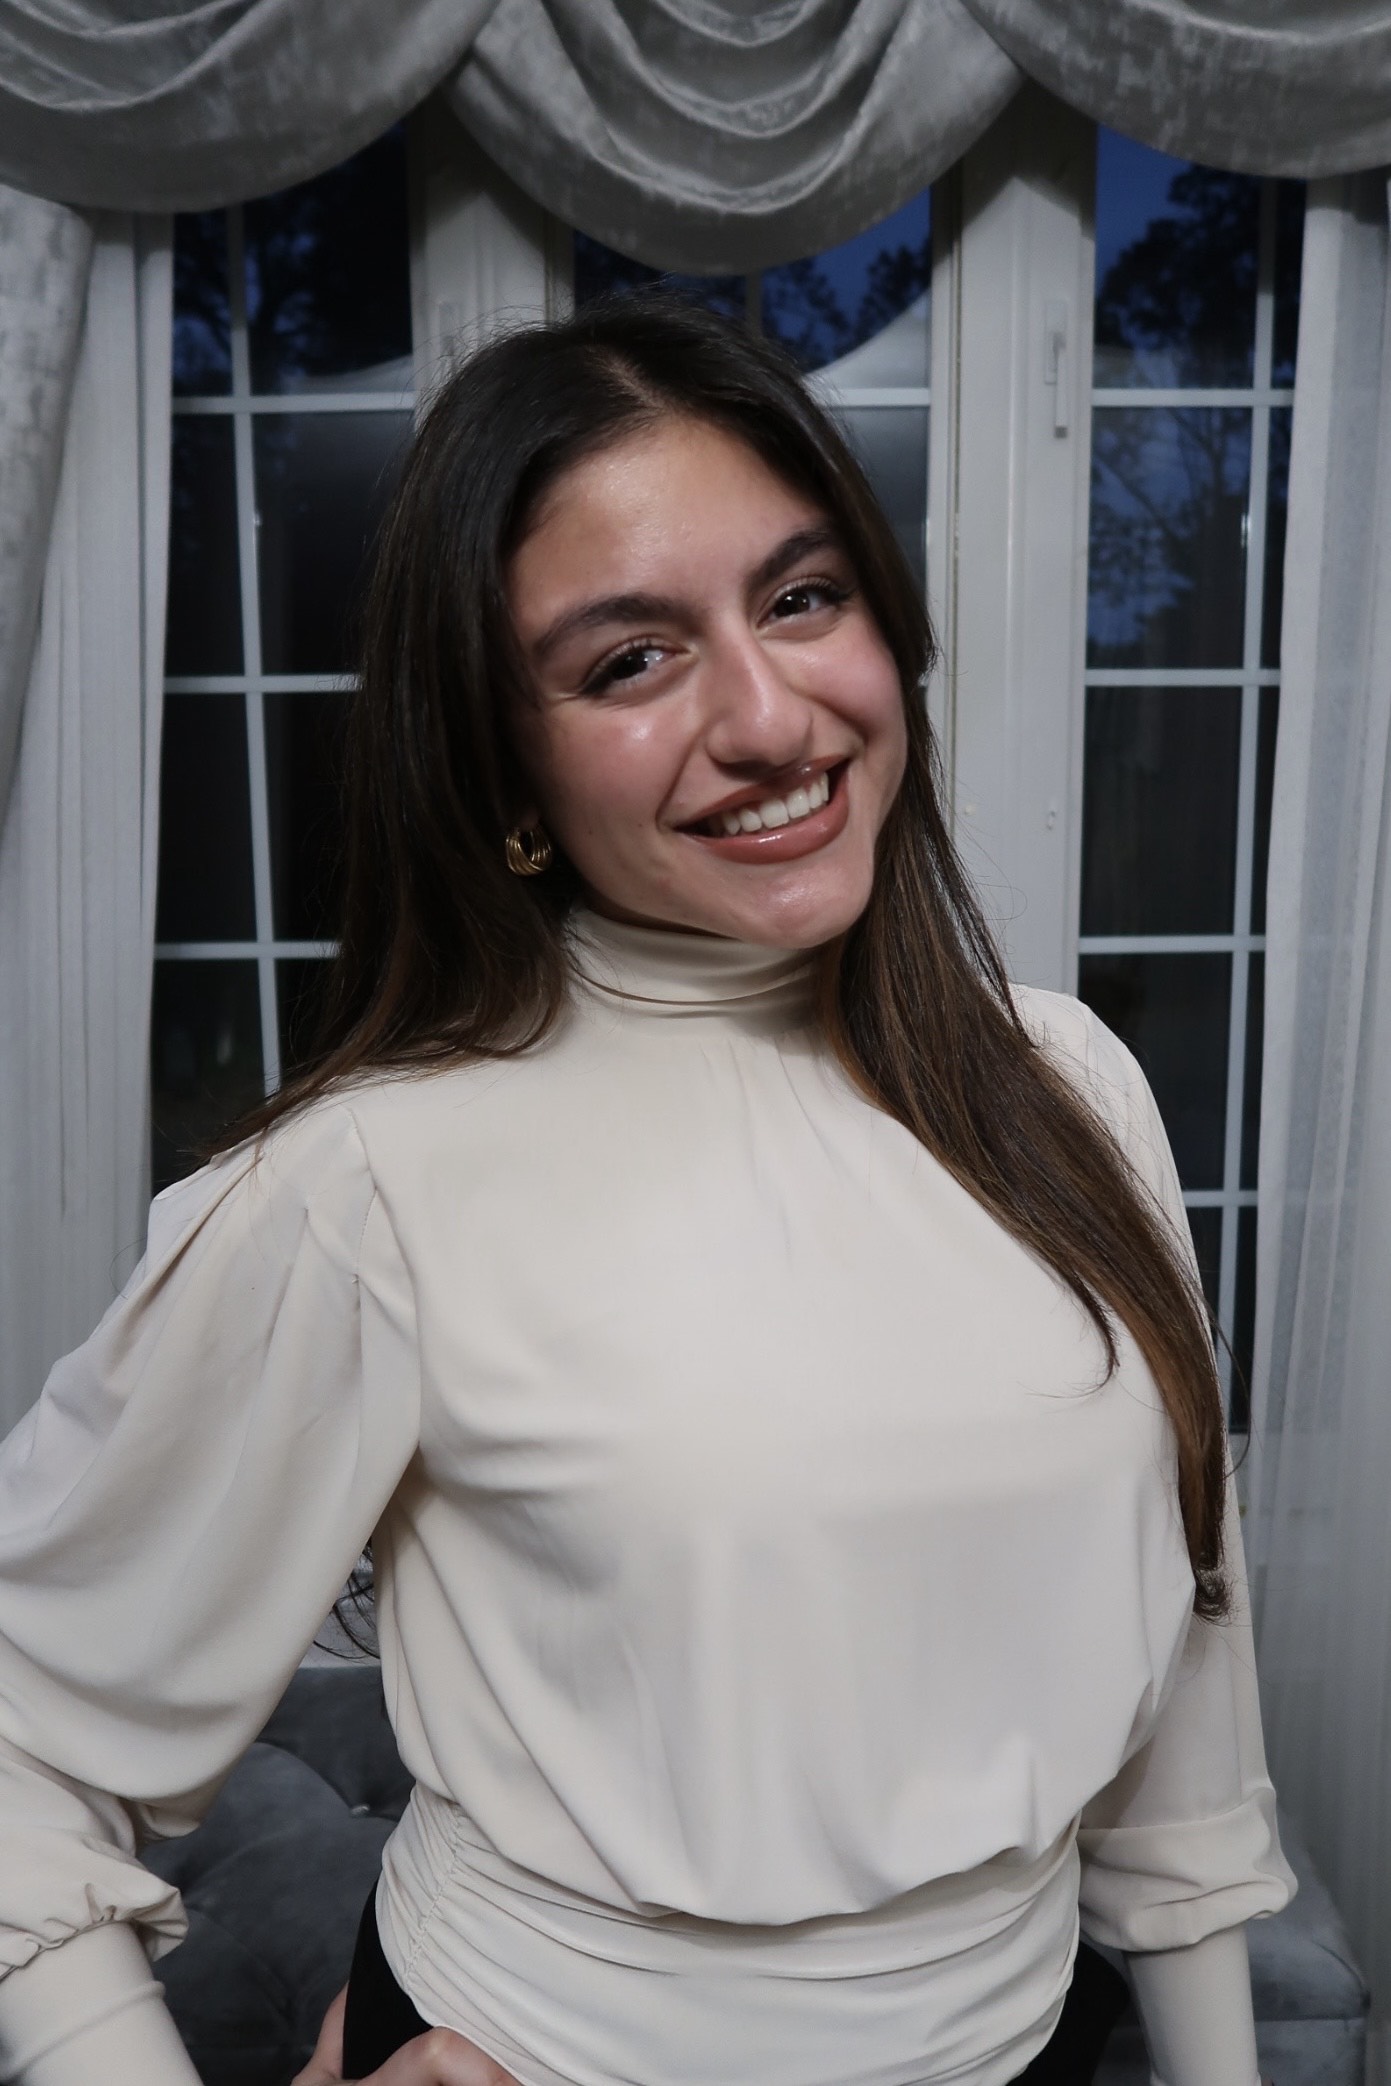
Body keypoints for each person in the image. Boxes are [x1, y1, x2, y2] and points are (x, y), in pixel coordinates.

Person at [0, 293, 1292, 2086]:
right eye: (629, 661)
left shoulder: (1068, 1081)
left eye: (802, 596)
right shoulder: (370, 1180)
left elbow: (1187, 1701)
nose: (769, 716)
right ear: (506, 772)